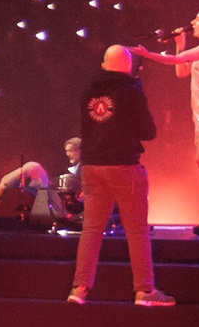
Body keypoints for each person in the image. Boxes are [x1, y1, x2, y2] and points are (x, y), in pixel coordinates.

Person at [69, 45, 174, 306]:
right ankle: (145, 292)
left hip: (92, 167)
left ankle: (78, 290)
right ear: (128, 67)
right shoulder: (131, 90)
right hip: (125, 167)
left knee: (91, 230)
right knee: (137, 231)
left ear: (104, 65)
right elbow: (148, 131)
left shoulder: (87, 91)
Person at [133, 8, 199, 237]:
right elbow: (181, 71)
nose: (193, 22)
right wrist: (181, 43)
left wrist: (146, 54)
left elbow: (177, 61)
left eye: (198, 19)